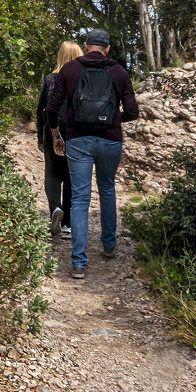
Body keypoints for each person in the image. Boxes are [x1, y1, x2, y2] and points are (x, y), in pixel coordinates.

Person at [46, 29, 139, 279]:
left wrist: (56, 135)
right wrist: (113, 119)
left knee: (79, 197)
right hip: (110, 140)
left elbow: (52, 108)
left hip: (78, 139)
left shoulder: (69, 70)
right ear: (107, 48)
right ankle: (109, 246)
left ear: (86, 46)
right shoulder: (119, 72)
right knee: (107, 188)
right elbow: (133, 110)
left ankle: (78, 262)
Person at [35, 41, 83, 240]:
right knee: (72, 177)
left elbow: (41, 111)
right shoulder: (83, 79)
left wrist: (40, 137)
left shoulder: (50, 79)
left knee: (53, 174)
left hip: (52, 131)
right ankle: (68, 225)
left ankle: (55, 208)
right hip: (76, 131)